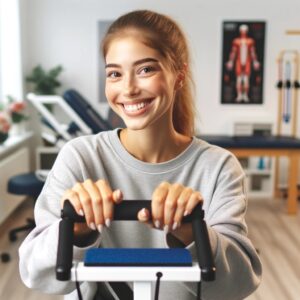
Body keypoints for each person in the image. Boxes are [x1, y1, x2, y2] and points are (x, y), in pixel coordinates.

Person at [19, 10, 262, 300]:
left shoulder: (218, 166)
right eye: (115, 74)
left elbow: (240, 283)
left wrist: (192, 234)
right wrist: (76, 230)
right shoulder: (79, 157)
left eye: (146, 69)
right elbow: (35, 272)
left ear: (179, 75)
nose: (129, 89)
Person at [226, 24, 260, 102]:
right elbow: (233, 52)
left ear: (247, 31)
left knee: (245, 79)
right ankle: (239, 95)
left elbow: (252, 52)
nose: (243, 32)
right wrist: (231, 61)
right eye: (242, 31)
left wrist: (255, 61)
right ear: (240, 31)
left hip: (247, 61)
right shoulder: (236, 41)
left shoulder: (250, 41)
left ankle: (245, 95)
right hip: (239, 61)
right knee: (239, 79)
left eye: (245, 31)